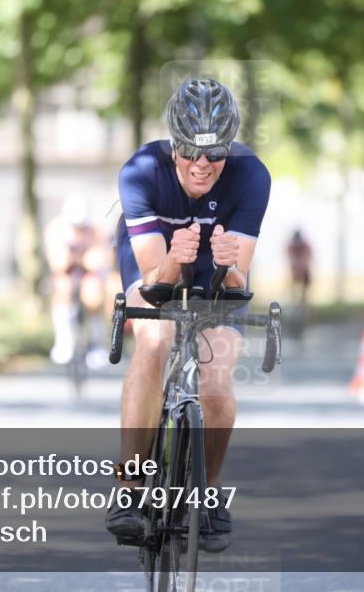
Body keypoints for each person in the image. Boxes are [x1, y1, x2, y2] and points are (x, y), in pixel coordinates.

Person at [104, 78, 271, 553]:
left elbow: (239, 282)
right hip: (157, 259)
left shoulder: (252, 175)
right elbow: (156, 281)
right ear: (173, 144)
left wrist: (228, 265)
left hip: (214, 269)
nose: (201, 165)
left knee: (217, 381)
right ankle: (131, 491)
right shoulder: (141, 171)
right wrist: (177, 259)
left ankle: (210, 493)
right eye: (190, 153)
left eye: (214, 154)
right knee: (154, 344)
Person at [45, 198, 109, 369]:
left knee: (93, 293)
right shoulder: (56, 229)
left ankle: (96, 344)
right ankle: (63, 341)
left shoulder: (95, 231)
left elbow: (98, 259)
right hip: (66, 273)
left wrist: (87, 260)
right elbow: (57, 262)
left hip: (90, 274)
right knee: (62, 287)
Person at [286, 230, 313, 333]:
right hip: (295, 271)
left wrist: (302, 266)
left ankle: (306, 324)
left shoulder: (306, 245)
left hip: (305, 272)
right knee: (293, 295)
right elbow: (290, 259)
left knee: (305, 299)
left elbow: (307, 258)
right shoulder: (290, 245)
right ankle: (293, 316)